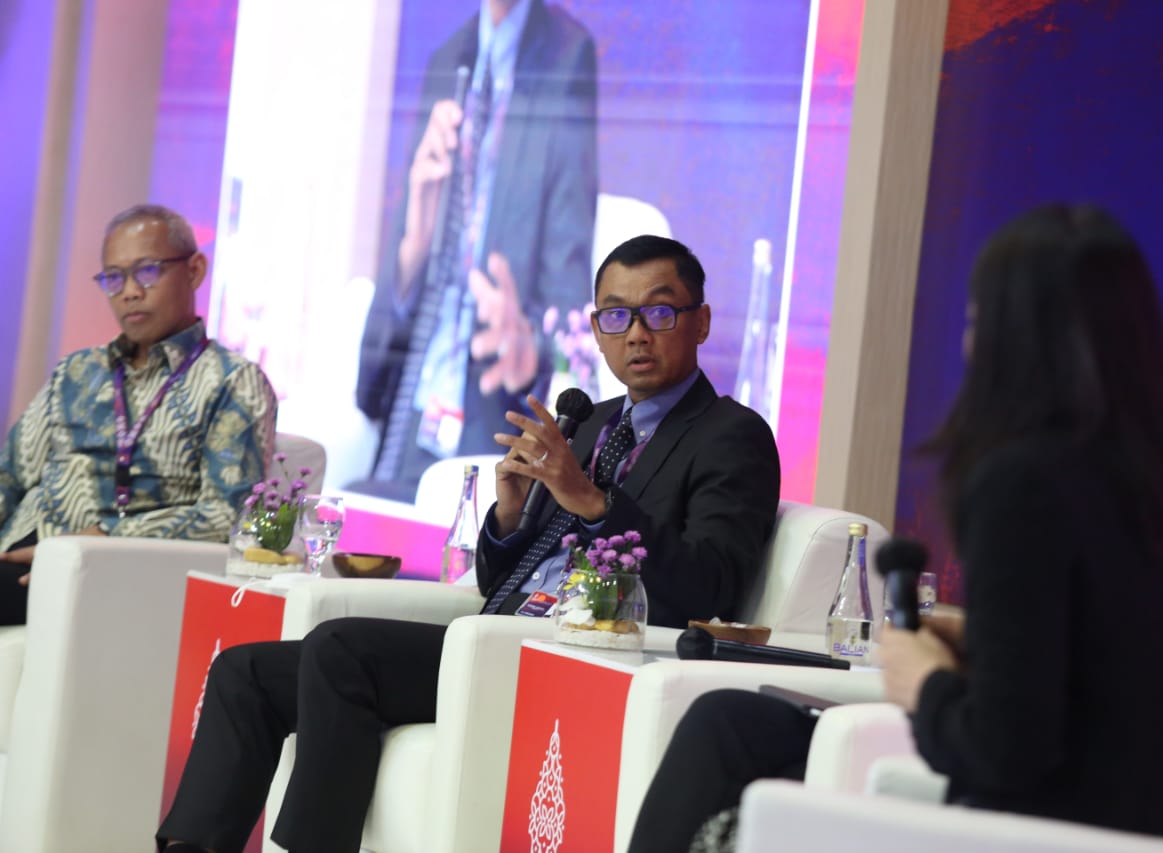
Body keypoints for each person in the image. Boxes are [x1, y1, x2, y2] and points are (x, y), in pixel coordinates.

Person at [626, 205, 1163, 852]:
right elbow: (1124, 661)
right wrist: (987, 635)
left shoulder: (1022, 480)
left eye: (973, 321)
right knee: (735, 721)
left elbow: (1006, 752)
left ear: (1007, 337)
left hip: (1071, 826)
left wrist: (924, 682)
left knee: (724, 728)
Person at [156, 235, 781, 853]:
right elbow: (498, 580)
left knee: (340, 649)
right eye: (617, 315)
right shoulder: (591, 422)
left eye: (660, 312)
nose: (637, 333)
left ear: (700, 322)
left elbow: (711, 585)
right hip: (498, 634)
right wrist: (508, 515)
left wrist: (594, 502)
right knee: (244, 672)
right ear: (596, 330)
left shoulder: (732, 436)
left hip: (572, 654)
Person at [354, 0, 598, 501]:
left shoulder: (565, 56)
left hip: (489, 418)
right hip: (412, 419)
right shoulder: (448, 58)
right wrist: (414, 244)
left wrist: (529, 340)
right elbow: (370, 385)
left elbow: (568, 283)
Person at [0, 204, 276, 625]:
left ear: (194, 271)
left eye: (147, 271)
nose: (129, 291)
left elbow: (228, 515)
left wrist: (106, 538)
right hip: (19, 552)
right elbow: (9, 475)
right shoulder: (76, 372)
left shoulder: (232, 381)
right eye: (113, 278)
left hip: (114, 570)